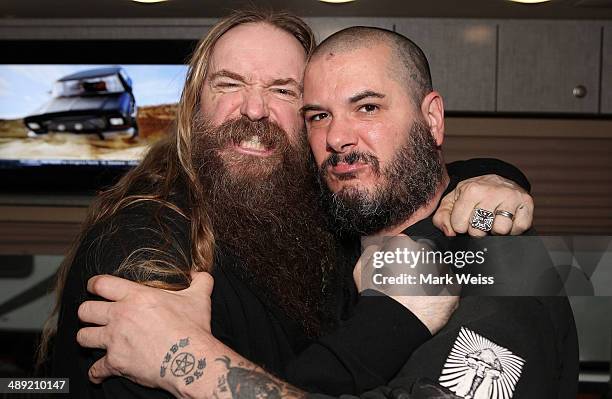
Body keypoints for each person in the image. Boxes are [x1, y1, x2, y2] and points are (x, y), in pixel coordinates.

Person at [48, 10, 538, 399]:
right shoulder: (147, 252)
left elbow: (403, 187)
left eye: (283, 90)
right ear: (194, 105)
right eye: (229, 84)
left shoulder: (309, 215)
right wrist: (394, 321)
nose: (255, 108)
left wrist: (488, 180)